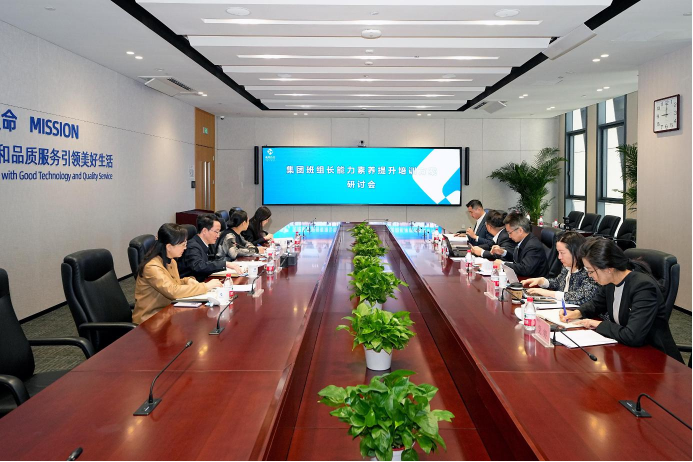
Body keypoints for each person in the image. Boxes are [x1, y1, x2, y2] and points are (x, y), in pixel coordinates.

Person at [560, 238, 683, 361]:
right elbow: (596, 304)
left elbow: (633, 336)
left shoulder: (643, 287)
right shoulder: (611, 282)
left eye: (591, 271)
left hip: (656, 358)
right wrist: (576, 313)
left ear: (608, 268)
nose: (589, 275)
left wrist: (598, 324)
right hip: (627, 352)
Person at [133, 223, 222, 324]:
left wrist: (188, 280)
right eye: (182, 244)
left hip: (167, 313)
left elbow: (174, 282)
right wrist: (205, 286)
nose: (185, 248)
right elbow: (173, 291)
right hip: (150, 320)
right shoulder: (152, 267)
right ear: (169, 246)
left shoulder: (171, 261)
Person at [522, 231, 599, 305]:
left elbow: (580, 297)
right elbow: (558, 282)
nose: (559, 257)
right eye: (558, 252)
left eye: (562, 253)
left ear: (576, 252)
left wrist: (549, 293)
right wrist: (542, 281)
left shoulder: (590, 272)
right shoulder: (566, 266)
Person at [178, 213, 242, 282]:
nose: (218, 236)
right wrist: (225, 264)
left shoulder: (205, 243)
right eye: (216, 232)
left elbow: (209, 261)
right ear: (204, 231)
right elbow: (199, 266)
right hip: (192, 284)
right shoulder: (192, 246)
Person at [491, 212, 546, 277]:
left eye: (510, 233)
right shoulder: (524, 240)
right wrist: (503, 252)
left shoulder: (533, 246)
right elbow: (517, 260)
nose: (509, 236)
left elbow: (525, 269)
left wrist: (503, 264)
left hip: (533, 281)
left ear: (520, 230)